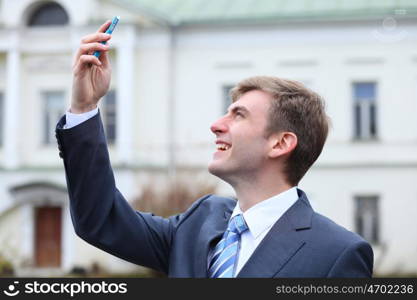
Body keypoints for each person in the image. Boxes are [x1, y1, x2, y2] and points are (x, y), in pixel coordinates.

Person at [55, 21, 373, 278]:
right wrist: (84, 107)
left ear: (280, 143)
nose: (216, 125)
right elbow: (100, 220)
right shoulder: (199, 221)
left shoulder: (337, 254)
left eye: (238, 115)